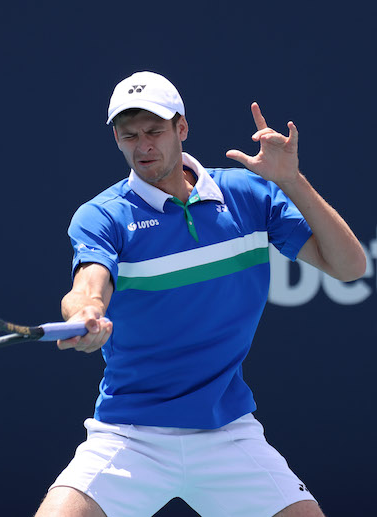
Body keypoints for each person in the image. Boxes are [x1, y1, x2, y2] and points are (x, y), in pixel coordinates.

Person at [34, 71, 366, 517]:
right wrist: (87, 313)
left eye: (154, 131)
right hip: (130, 435)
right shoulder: (103, 216)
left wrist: (292, 180)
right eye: (129, 135)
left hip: (228, 431)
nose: (143, 145)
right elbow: (86, 287)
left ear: (182, 128)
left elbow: (349, 267)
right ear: (116, 139)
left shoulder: (249, 195)